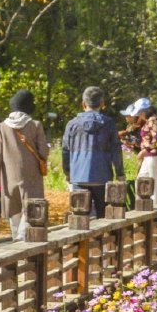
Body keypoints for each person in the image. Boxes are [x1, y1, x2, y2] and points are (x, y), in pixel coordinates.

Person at [0, 90, 50, 240]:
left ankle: (16, 236)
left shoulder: (2, 127)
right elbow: (43, 152)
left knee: (14, 208)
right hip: (31, 174)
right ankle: (23, 237)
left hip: (9, 176)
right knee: (31, 206)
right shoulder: (35, 125)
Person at [62, 87, 125, 218]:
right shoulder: (108, 124)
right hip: (102, 176)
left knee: (80, 215)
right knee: (103, 215)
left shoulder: (72, 124)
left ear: (83, 104)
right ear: (102, 104)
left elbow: (66, 150)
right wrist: (120, 174)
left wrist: (68, 173)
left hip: (78, 176)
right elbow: (116, 150)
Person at [130, 98, 157, 186]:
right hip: (150, 155)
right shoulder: (152, 120)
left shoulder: (153, 120)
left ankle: (154, 196)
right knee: (142, 181)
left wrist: (145, 150)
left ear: (145, 111)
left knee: (153, 183)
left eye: (140, 112)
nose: (139, 115)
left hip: (154, 155)